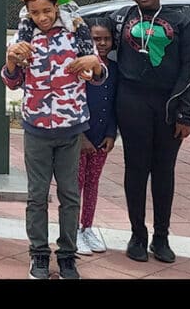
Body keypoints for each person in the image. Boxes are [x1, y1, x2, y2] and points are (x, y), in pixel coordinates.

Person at [2, 0, 105, 280]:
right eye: (35, 13)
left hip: (71, 128)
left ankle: (68, 255)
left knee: (70, 195)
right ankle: (38, 254)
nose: (42, 17)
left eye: (47, 11)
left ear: (57, 7)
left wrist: (95, 65)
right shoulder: (24, 37)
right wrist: (11, 60)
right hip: (36, 128)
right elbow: (12, 81)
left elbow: (97, 75)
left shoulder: (76, 31)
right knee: (36, 196)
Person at [110, 0, 190, 264]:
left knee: (163, 171)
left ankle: (161, 237)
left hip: (168, 105)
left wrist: (187, 114)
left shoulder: (181, 21)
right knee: (135, 169)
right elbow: (80, 19)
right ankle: (137, 234)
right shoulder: (121, 19)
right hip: (132, 102)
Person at [75, 17, 118, 256]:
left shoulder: (115, 69)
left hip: (102, 139)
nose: (101, 43)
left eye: (106, 39)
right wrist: (81, 135)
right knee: (76, 185)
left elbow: (113, 104)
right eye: (96, 39)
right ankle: (72, 230)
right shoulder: (80, 67)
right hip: (80, 138)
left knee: (93, 184)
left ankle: (87, 227)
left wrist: (111, 133)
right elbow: (74, 101)